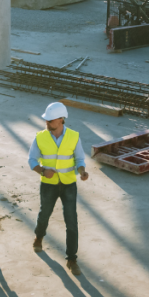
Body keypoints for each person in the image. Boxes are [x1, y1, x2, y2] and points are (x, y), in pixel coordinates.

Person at [28, 102, 89, 276]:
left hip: (69, 184)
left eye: (50, 119)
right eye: (46, 119)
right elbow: (31, 160)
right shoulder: (40, 137)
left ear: (61, 119)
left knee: (71, 221)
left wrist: (82, 172)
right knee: (44, 213)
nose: (47, 122)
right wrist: (42, 170)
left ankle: (71, 259)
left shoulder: (74, 136)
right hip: (48, 185)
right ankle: (39, 236)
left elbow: (80, 160)